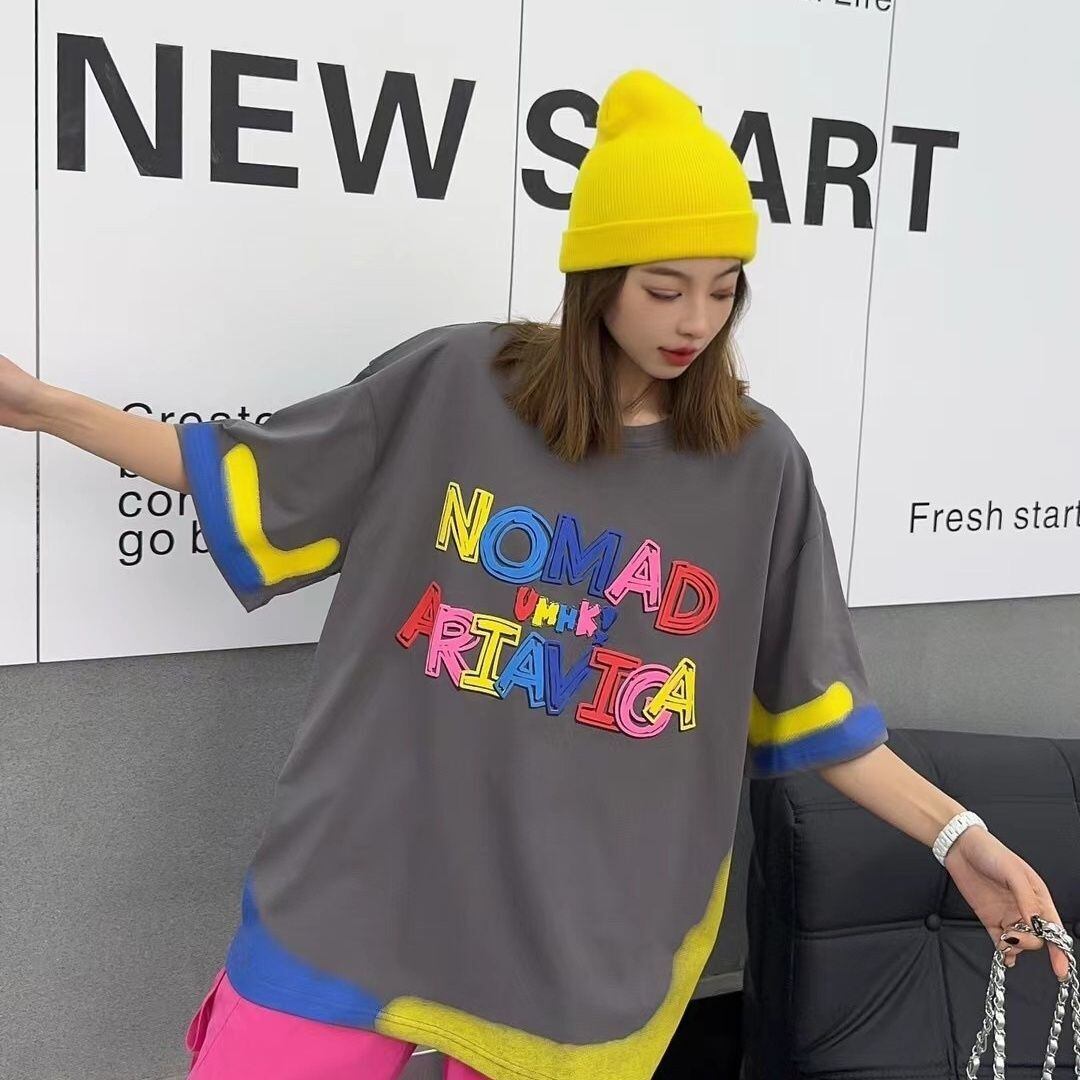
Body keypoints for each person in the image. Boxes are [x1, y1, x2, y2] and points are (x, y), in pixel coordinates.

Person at [0, 68, 1070, 1080]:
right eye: (664, 288)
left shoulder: (759, 466)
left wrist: (958, 837)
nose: (695, 322)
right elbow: (250, 473)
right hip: (365, 884)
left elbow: (821, 715)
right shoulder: (456, 383)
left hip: (581, 935)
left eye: (722, 289)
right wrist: (45, 406)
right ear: (598, 279)